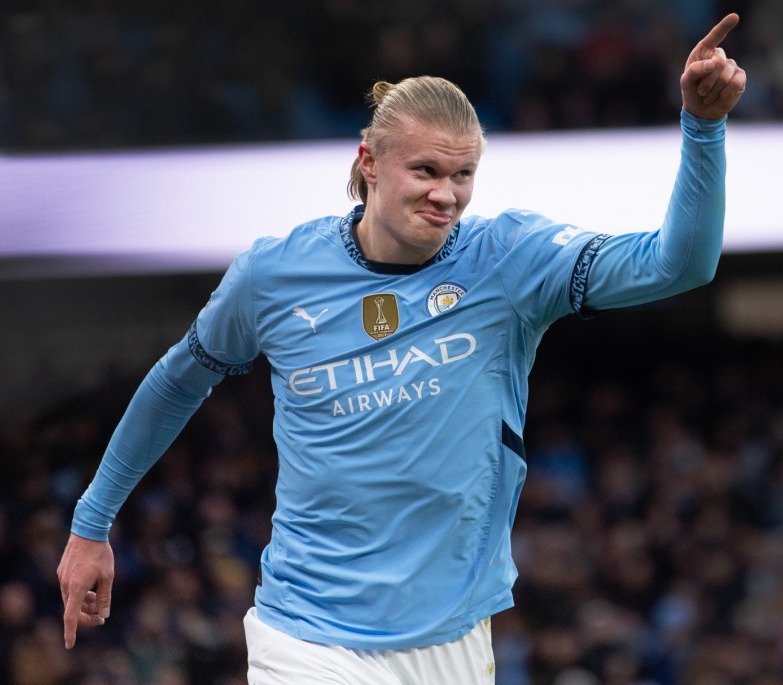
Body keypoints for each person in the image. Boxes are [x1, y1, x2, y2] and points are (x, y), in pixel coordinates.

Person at [57, 13, 746, 684]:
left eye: (462, 175)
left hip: (450, 635)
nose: (446, 195)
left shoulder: (509, 261)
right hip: (306, 632)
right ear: (369, 162)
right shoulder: (273, 276)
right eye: (425, 171)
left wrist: (703, 126)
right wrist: (92, 520)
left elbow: (676, 265)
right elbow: (180, 380)